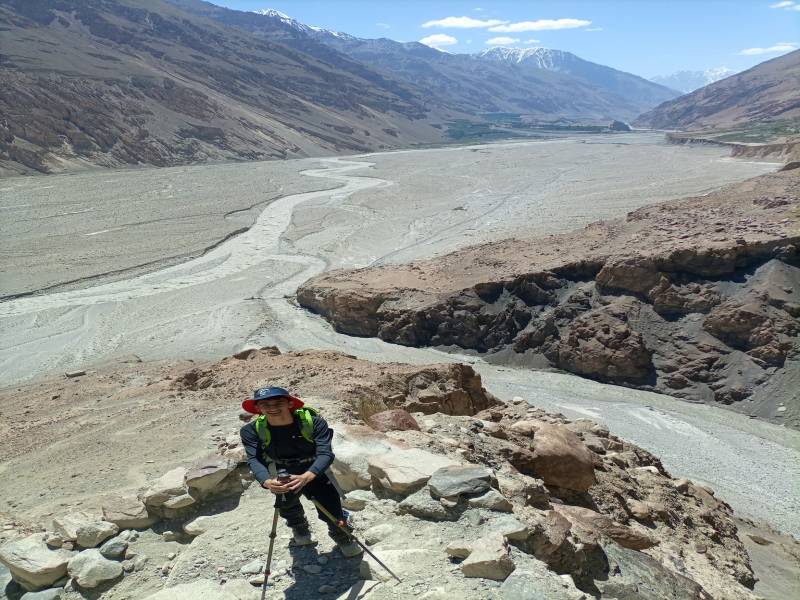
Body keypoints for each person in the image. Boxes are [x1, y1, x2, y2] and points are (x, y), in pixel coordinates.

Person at [240, 386, 362, 557]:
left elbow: (325, 453)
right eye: (265, 404)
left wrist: (307, 476)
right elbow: (254, 458)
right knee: (287, 505)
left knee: (331, 507)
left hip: (313, 471)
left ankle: (344, 538)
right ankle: (301, 532)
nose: (272, 407)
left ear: (290, 403)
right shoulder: (251, 431)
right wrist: (266, 481)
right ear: (258, 409)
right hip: (282, 472)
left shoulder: (313, 422)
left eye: (278, 402)